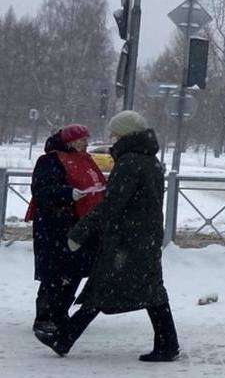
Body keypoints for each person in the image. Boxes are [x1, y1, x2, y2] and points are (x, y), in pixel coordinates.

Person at [36, 110, 180, 362]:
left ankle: (65, 338)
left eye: (114, 133)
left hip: (127, 239)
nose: (111, 138)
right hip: (142, 236)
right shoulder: (150, 161)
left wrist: (80, 231)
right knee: (141, 289)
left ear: (124, 134)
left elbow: (111, 204)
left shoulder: (130, 162)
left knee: (113, 287)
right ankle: (65, 338)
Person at [26, 124, 105, 338]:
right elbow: (42, 190)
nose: (85, 143)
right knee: (55, 275)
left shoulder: (85, 158)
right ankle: (44, 318)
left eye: (86, 139)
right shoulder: (50, 160)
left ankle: (60, 314)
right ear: (69, 141)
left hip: (79, 226)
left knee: (74, 273)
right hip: (54, 227)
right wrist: (68, 193)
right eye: (81, 140)